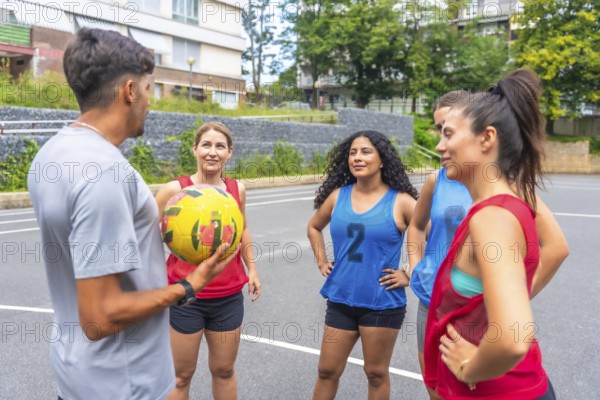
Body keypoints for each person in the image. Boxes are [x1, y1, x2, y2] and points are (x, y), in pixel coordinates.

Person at [27, 29, 238, 400]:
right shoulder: (104, 174)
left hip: (76, 373)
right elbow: (100, 317)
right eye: (148, 89)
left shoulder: (50, 155)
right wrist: (188, 286)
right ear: (129, 91)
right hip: (123, 383)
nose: (149, 102)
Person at [407, 91, 569, 399]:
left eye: (449, 133)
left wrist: (471, 369)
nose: (440, 145)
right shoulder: (495, 207)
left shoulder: (492, 218)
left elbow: (512, 338)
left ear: (487, 138)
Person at [307, 130, 418, 400]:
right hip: (341, 299)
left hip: (381, 303)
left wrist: (411, 274)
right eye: (353, 152)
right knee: (326, 370)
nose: (357, 157)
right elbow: (313, 226)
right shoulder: (337, 196)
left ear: (382, 160)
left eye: (366, 151)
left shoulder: (401, 201)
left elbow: (433, 236)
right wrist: (322, 260)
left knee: (376, 373)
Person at [155, 121, 261, 400]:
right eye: (206, 145)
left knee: (224, 370)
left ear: (229, 153)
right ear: (195, 149)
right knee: (180, 376)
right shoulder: (173, 191)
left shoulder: (237, 190)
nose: (212, 152)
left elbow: (243, 229)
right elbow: (148, 240)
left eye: (219, 146)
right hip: (185, 297)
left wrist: (252, 269)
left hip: (227, 298)